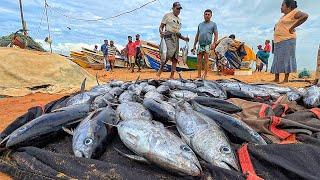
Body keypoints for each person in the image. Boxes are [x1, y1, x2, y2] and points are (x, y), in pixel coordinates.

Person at [271, 0, 308, 83]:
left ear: (289, 7)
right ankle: (276, 78)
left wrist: (292, 28)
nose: (281, 7)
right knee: (277, 60)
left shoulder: (294, 12)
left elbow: (305, 16)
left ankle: (285, 79)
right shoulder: (283, 16)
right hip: (278, 41)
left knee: (287, 59)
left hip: (287, 39)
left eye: (282, 5)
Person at [157, 2, 189, 79]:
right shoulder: (167, 16)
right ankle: (160, 70)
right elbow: (160, 27)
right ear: (173, 8)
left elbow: (178, 33)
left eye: (180, 9)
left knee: (175, 58)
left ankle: (172, 76)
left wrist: (184, 38)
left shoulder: (179, 19)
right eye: (177, 8)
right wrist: (161, 32)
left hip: (176, 39)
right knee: (167, 55)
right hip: (168, 37)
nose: (179, 10)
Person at [191, 9, 218, 79]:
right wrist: (194, 45)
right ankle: (199, 75)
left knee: (206, 61)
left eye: (208, 14)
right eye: (205, 14)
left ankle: (205, 75)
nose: (207, 16)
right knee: (199, 61)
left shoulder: (213, 24)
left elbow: (216, 35)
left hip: (207, 45)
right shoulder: (200, 25)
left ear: (211, 15)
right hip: (200, 45)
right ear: (203, 15)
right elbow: (197, 35)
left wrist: (214, 44)